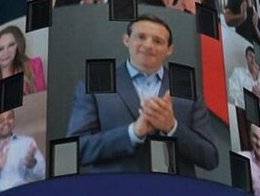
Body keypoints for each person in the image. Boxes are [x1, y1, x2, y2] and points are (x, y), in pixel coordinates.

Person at [67, 15, 217, 175]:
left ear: (169, 50)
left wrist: (172, 127)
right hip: (114, 189)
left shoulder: (188, 92)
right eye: (141, 37)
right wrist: (132, 133)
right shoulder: (94, 86)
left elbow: (210, 157)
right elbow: (76, 150)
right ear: (126, 40)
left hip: (173, 189)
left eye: (157, 41)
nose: (148, 45)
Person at [0, 26, 45, 117]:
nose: (5, 52)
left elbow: (42, 102)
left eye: (11, 45)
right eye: (0, 49)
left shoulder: (34, 66)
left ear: (18, 46)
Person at [0, 108, 46, 192]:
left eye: (9, 118)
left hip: (22, 194)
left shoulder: (27, 143)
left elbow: (44, 175)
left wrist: (33, 164)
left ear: (14, 121)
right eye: (1, 121)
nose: (6, 122)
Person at [227, 46, 260, 129]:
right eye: (250, 56)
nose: (253, 60)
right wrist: (250, 97)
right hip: (239, 122)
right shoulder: (238, 73)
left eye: (256, 58)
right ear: (246, 57)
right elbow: (231, 96)